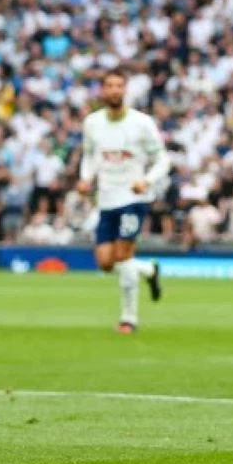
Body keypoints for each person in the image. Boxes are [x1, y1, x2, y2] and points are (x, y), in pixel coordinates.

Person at [78, 70, 167, 333]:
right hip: (106, 198)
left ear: (125, 90)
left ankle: (129, 318)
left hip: (132, 198)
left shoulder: (141, 123)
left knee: (123, 255)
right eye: (109, 86)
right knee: (106, 263)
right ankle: (149, 270)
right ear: (102, 91)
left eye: (119, 86)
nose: (114, 90)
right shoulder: (92, 123)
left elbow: (163, 158)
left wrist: (147, 180)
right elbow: (89, 156)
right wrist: (86, 179)